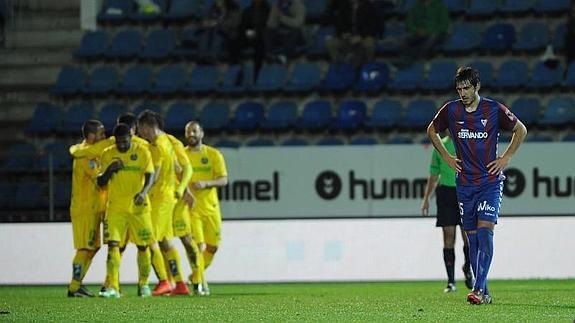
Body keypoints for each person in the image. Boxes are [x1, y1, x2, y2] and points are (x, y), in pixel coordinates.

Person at [427, 67, 527, 305]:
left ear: (477, 87)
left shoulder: (493, 109)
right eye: (459, 89)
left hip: (490, 182)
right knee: (472, 239)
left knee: (485, 232)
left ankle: (479, 289)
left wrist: (506, 157)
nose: (462, 93)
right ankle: (485, 291)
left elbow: (520, 129)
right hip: (465, 184)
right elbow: (431, 130)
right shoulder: (450, 110)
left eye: (467, 88)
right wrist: (446, 158)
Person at [97, 124, 156, 298]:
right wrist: (109, 170)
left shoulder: (143, 152)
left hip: (138, 208)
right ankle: (113, 287)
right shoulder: (107, 154)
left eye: (125, 141)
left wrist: (143, 193)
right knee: (113, 246)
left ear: (131, 137)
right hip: (116, 208)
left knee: (143, 246)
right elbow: (100, 183)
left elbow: (150, 175)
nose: (122, 145)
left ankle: (143, 285)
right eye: (119, 142)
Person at [137, 110, 190, 296]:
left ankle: (164, 281)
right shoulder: (168, 141)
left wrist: (144, 192)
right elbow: (177, 167)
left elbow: (156, 172)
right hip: (167, 197)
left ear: (147, 126)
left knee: (149, 239)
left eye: (141, 130)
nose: (141, 134)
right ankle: (181, 284)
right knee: (166, 242)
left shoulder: (158, 145)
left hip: (159, 199)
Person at [421, 134, 473, 293]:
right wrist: (426, 198)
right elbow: (434, 173)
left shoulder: (467, 142)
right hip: (446, 194)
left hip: (465, 191)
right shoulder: (440, 145)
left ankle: (468, 267)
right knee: (448, 236)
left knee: (468, 237)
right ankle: (451, 282)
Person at [184, 121, 228, 295]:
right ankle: (200, 282)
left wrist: (206, 183)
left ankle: (196, 274)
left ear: (201, 133)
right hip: (191, 208)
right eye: (188, 132)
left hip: (211, 209)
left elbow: (224, 180)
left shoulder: (213, 154)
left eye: (194, 131)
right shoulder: (182, 155)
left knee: (212, 247)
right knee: (197, 246)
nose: (191, 134)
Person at [67, 120, 106, 297]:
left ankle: (78, 283)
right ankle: (74, 287)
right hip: (84, 209)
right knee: (85, 247)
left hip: (93, 208)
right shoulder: (85, 156)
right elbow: (99, 179)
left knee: (93, 246)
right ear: (91, 136)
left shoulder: (89, 153)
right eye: (101, 133)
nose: (104, 136)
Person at [325, 0, 380, 66]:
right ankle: (339, 65)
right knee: (330, 43)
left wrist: (361, 36)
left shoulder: (369, 6)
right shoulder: (344, 6)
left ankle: (368, 65)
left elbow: (373, 26)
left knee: (369, 43)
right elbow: (339, 24)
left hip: (362, 37)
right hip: (347, 38)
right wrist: (344, 33)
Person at [399, 0, 448, 66]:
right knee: (404, 38)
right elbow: (409, 22)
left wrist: (428, 31)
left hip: (435, 33)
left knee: (432, 38)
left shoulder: (440, 6)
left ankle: (418, 59)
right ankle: (404, 59)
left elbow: (444, 25)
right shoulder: (415, 6)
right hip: (417, 33)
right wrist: (416, 30)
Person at [265, 0, 306, 64]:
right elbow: (270, 25)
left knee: (295, 31)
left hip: (296, 36)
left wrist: (282, 17)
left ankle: (284, 56)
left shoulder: (298, 5)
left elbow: (298, 23)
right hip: (281, 33)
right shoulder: (277, 5)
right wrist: (274, 15)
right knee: (267, 30)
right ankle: (270, 55)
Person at [239, 0, 271, 80]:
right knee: (235, 40)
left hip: (261, 36)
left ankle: (256, 74)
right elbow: (243, 26)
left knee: (259, 46)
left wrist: (257, 32)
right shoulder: (247, 10)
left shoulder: (267, 10)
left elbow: (268, 25)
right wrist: (248, 33)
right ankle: (238, 70)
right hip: (248, 35)